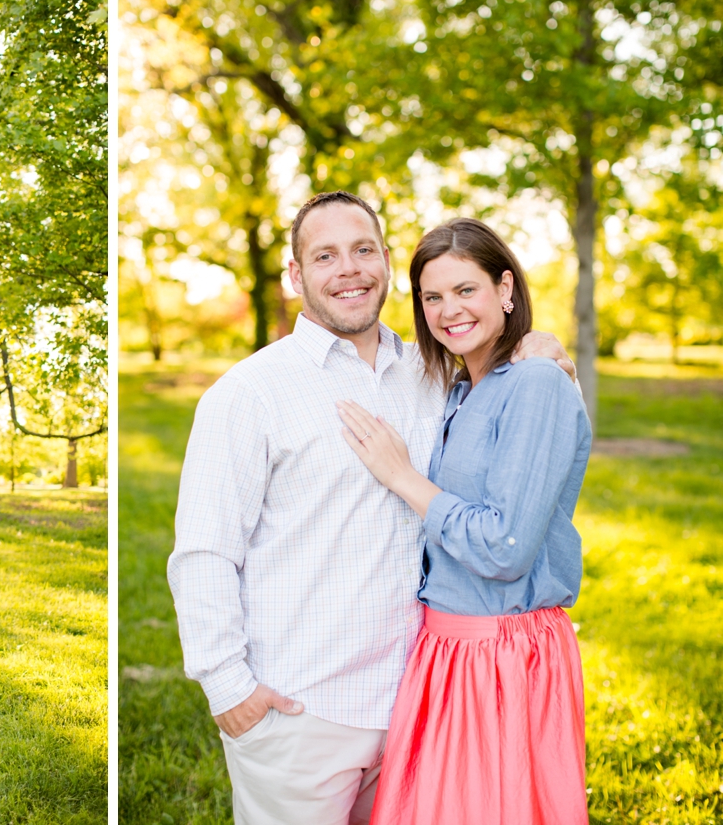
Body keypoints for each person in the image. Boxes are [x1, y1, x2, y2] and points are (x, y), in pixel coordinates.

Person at [167, 191, 577, 825]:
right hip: (301, 707)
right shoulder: (248, 394)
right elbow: (203, 550)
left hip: (419, 700)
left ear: (387, 261)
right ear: (297, 276)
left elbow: (512, 425)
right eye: (325, 255)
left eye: (363, 250)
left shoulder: (435, 370)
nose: (349, 268)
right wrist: (229, 687)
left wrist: (540, 349)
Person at [336, 217, 591, 825]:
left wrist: (403, 479)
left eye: (466, 290)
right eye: (432, 297)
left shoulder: (536, 384)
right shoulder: (457, 389)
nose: (449, 310)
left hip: (504, 654)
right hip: (444, 648)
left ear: (506, 290)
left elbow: (505, 547)